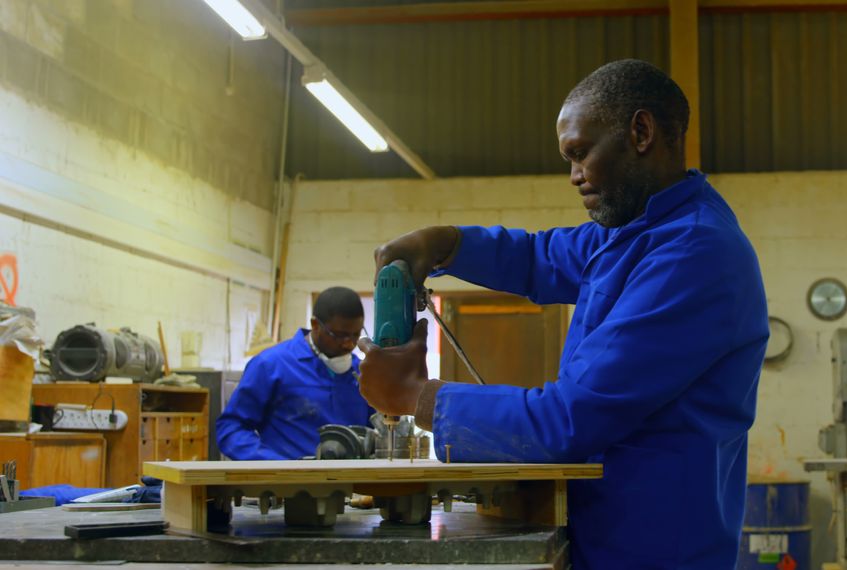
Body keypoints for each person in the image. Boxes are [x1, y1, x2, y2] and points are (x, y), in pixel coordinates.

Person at [357, 59, 769, 569]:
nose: (574, 176)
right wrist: (446, 243)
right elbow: (537, 258)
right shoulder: (631, 233)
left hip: (655, 550)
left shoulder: (692, 252)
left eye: (579, 154)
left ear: (641, 132)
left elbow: (570, 420)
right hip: (607, 535)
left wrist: (416, 397)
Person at [217, 287, 377, 460]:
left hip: (351, 482)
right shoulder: (272, 366)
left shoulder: (361, 372)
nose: (349, 344)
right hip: (288, 482)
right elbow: (231, 428)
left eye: (355, 335)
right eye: (339, 335)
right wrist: (272, 464)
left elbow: (378, 428)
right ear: (315, 325)